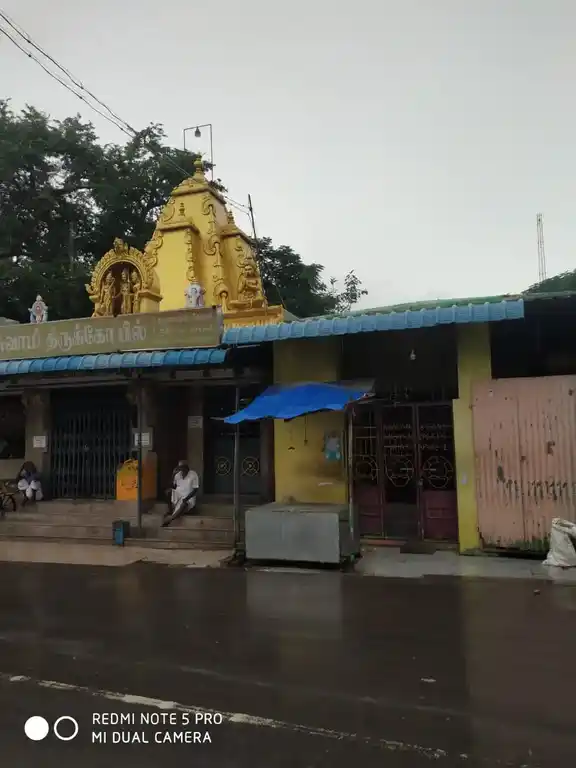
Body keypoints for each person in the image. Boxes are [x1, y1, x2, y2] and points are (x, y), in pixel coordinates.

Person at [162, 460, 199, 527]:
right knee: (168, 492)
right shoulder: (177, 475)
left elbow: (195, 489)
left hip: (188, 496)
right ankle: (171, 511)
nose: (180, 470)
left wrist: (186, 498)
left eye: (182, 467)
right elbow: (172, 486)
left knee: (184, 503)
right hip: (178, 494)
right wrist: (173, 475)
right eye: (179, 468)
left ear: (186, 468)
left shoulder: (193, 474)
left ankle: (170, 519)